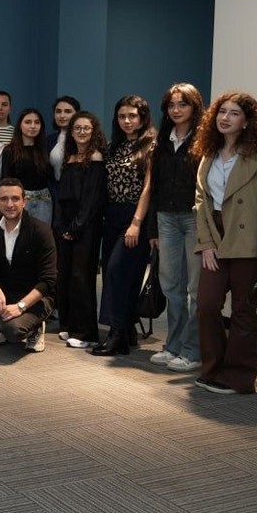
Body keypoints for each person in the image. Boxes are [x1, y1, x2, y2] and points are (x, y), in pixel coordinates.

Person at [193, 91, 257, 395]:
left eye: (234, 113)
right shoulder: (209, 154)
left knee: (243, 310)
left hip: (247, 241)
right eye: (221, 112)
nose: (225, 118)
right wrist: (206, 242)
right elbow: (201, 201)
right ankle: (213, 367)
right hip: (215, 236)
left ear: (246, 121)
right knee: (206, 305)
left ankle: (239, 377)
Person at [92, 96, 156, 356]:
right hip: (112, 215)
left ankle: (116, 334)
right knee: (113, 271)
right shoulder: (114, 145)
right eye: (122, 116)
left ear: (142, 117)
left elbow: (148, 188)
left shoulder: (151, 145)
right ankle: (127, 330)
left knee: (118, 271)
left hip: (135, 215)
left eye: (132, 116)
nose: (127, 121)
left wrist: (136, 223)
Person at [147, 83, 205, 372]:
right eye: (171, 105)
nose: (176, 109)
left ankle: (193, 350)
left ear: (195, 107)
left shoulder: (205, 140)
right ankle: (173, 345)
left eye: (183, 104)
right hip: (166, 218)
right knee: (171, 285)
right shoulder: (162, 141)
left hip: (194, 218)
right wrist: (153, 229)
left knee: (195, 288)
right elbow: (154, 186)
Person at [0, 179, 57, 354]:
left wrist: (20, 306)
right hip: (5, 290)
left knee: (13, 331)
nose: (10, 204)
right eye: (4, 199)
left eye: (15, 198)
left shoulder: (41, 231)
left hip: (35, 298)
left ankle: (36, 327)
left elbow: (48, 280)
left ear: (24, 201)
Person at [53, 112, 106, 349]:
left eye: (86, 128)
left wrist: (76, 227)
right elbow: (63, 196)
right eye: (77, 128)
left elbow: (91, 199)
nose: (82, 132)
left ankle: (87, 333)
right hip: (66, 225)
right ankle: (69, 324)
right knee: (65, 275)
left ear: (94, 132)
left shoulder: (96, 158)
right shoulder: (70, 157)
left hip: (86, 226)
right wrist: (62, 226)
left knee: (81, 277)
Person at [1, 108, 53, 225]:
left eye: (37, 122)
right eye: (28, 122)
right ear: (20, 125)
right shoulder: (10, 150)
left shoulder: (46, 149)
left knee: (42, 235)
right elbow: (6, 179)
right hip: (20, 201)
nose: (33, 126)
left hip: (44, 201)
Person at [48, 95, 81, 183]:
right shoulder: (50, 139)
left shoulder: (83, 138)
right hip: (56, 188)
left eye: (67, 111)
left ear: (77, 114)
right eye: (58, 111)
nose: (62, 116)